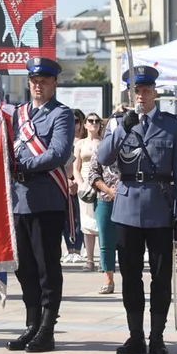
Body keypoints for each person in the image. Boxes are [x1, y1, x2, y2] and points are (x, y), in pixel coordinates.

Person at [97, 65, 177, 354]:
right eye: (136, 90)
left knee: (161, 277)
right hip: (126, 207)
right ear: (130, 92)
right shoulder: (119, 122)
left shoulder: (171, 125)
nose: (141, 95)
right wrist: (123, 127)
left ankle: (157, 336)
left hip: (160, 207)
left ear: (155, 92)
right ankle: (135, 335)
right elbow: (103, 157)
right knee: (130, 275)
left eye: (146, 90)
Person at [2, 57, 74, 353]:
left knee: (46, 267)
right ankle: (31, 324)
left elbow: (58, 152)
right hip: (18, 200)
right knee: (24, 267)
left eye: (44, 81)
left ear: (54, 83)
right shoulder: (17, 114)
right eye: (34, 81)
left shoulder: (61, 114)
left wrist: (26, 163)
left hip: (46, 200)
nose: (38, 86)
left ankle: (47, 327)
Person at [87, 130, 119, 295]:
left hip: (129, 201)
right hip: (105, 199)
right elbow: (93, 174)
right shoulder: (100, 149)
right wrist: (108, 190)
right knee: (106, 241)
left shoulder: (132, 146)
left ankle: (130, 278)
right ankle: (109, 279)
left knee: (128, 242)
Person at [74, 112, 102, 271]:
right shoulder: (80, 144)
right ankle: (89, 260)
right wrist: (81, 184)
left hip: (100, 184)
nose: (94, 123)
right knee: (86, 223)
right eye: (90, 121)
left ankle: (103, 260)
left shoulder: (104, 142)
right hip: (84, 185)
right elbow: (76, 168)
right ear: (85, 125)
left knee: (101, 222)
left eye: (97, 121)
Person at [62, 110, 85, 264]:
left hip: (82, 182)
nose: (74, 124)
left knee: (79, 218)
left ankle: (77, 249)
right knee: (66, 218)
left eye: (76, 121)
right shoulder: (64, 139)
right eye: (71, 120)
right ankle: (69, 249)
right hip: (65, 182)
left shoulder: (85, 141)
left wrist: (77, 181)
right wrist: (67, 181)